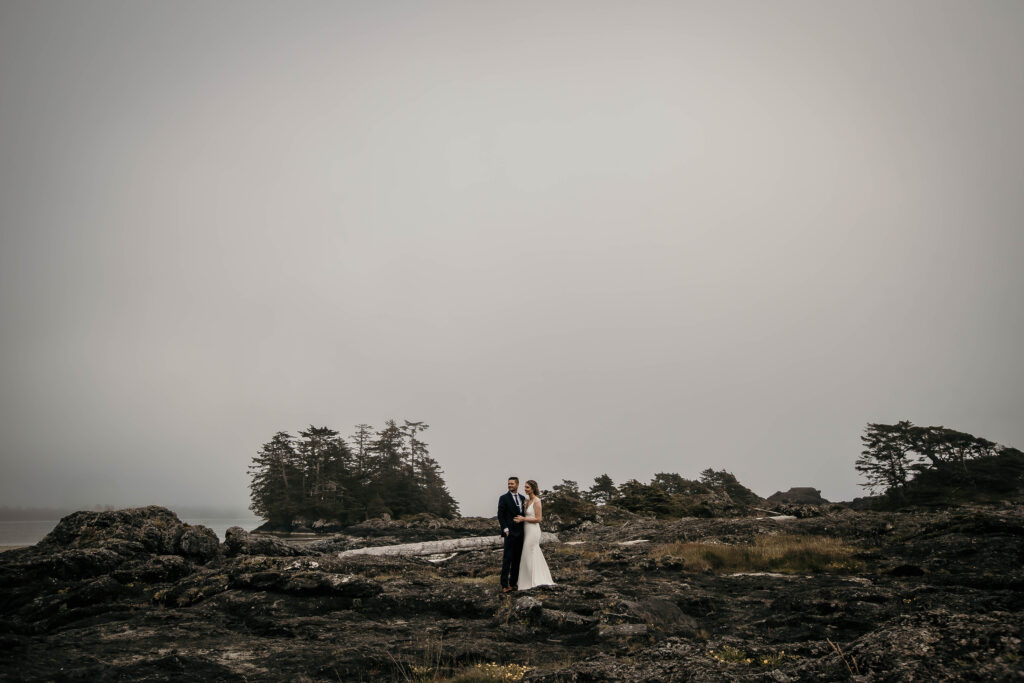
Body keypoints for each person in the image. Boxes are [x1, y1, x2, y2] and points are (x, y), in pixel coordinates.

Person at [513, 479, 555, 590]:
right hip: (526, 529)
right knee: (529, 553)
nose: (525, 489)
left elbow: (539, 519)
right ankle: (526, 580)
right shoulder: (527, 500)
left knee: (529, 551)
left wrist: (523, 519)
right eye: (525, 487)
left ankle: (534, 580)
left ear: (533, 488)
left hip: (533, 530)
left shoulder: (537, 501)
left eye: (527, 487)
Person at [497, 476, 526, 593]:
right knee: (507, 559)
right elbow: (500, 515)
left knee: (517, 559)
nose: (510, 485)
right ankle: (504, 585)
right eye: (509, 484)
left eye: (512, 484)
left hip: (521, 533)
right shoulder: (503, 498)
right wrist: (505, 529)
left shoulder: (523, 498)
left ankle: (513, 583)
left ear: (517, 485)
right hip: (509, 533)